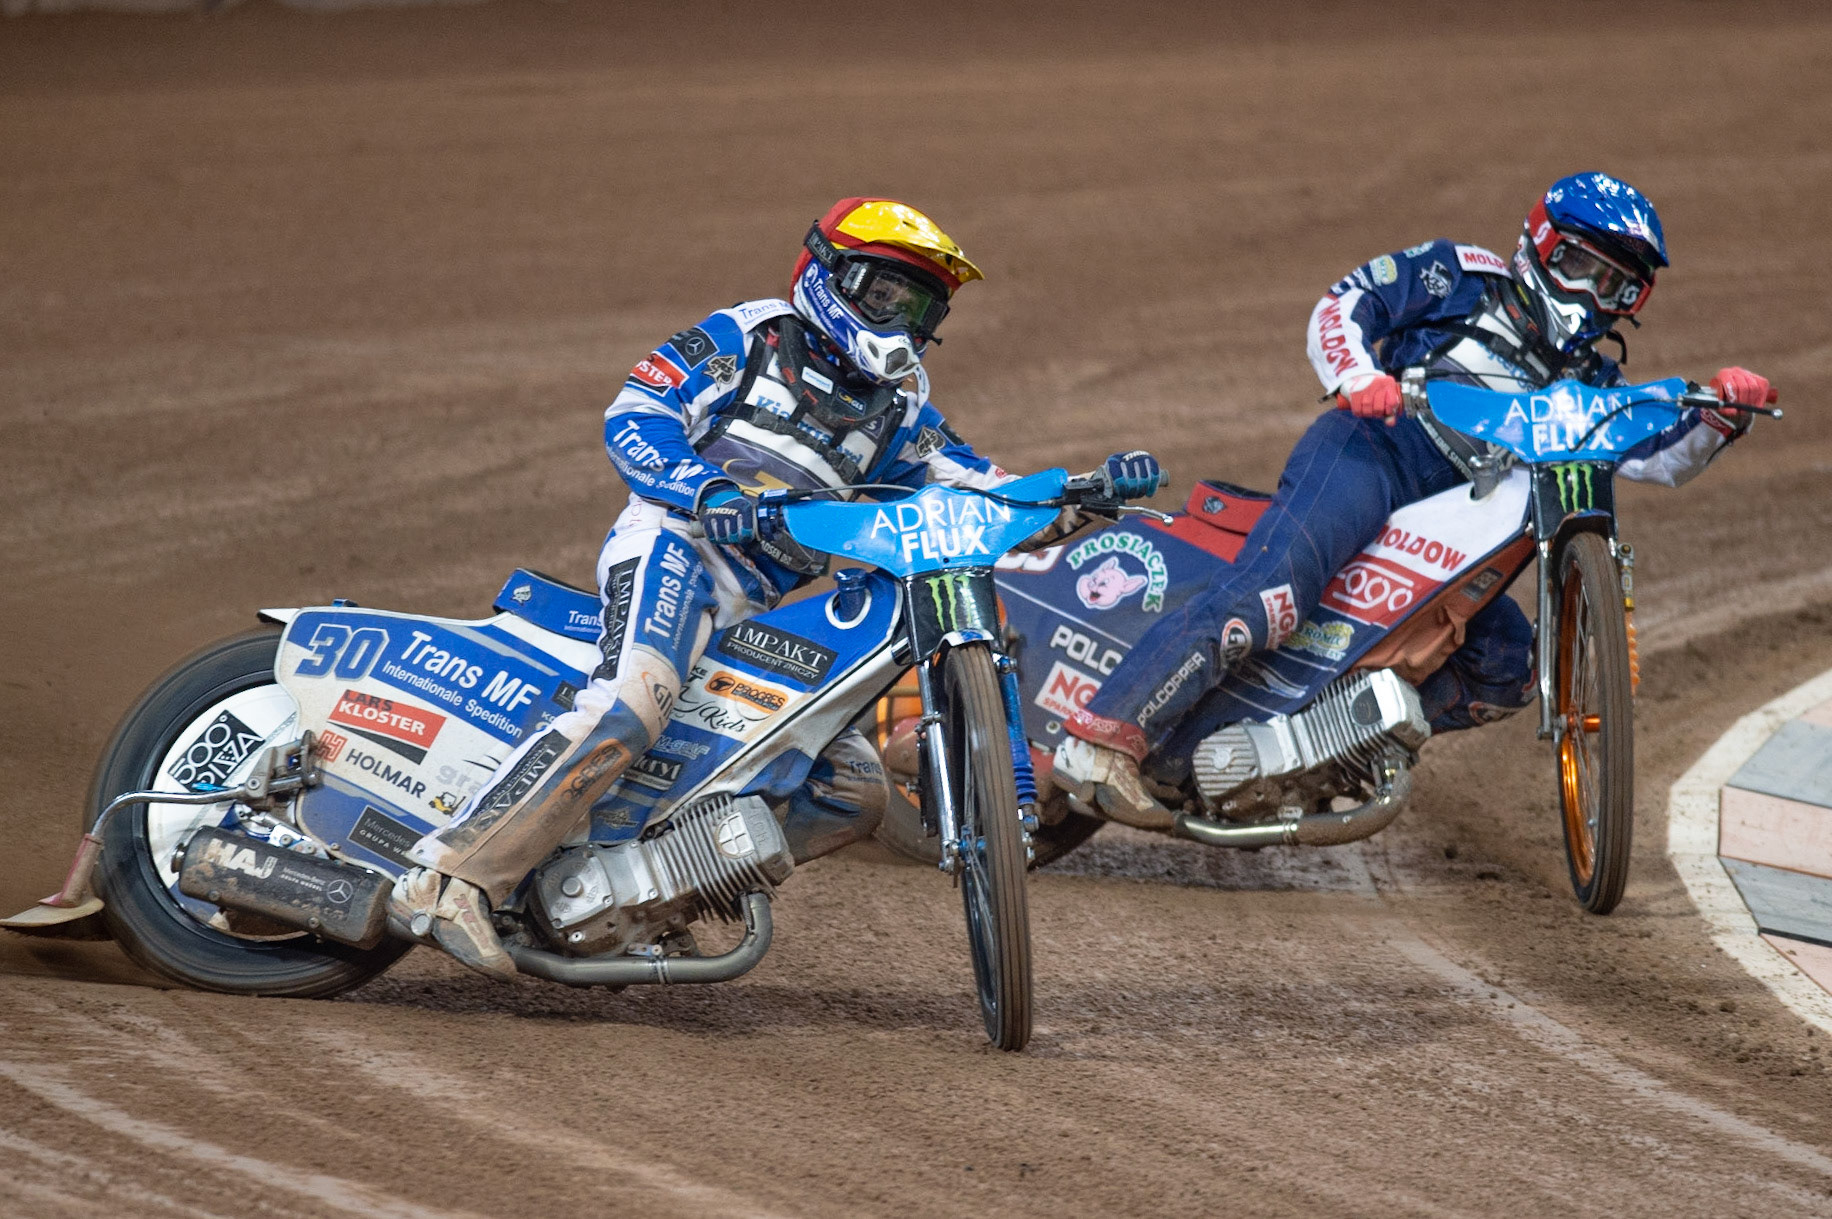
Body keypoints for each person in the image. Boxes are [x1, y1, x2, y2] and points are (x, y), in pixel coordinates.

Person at [391, 197, 1164, 976]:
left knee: (848, 787)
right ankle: (447, 879)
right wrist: (709, 494)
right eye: (887, 294)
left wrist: (1082, 493)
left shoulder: (900, 409)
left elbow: (983, 490)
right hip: (675, 547)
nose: (900, 320)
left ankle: (642, 897)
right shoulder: (746, 336)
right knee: (632, 699)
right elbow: (636, 413)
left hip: (761, 601)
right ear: (829, 274)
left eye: (920, 305)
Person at [1053, 171, 1774, 825]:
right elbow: (1347, 302)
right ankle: (1102, 742)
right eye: (1579, 269)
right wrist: (1357, 377)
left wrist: (1720, 415)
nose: (1591, 298)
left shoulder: (1591, 382)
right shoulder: (1460, 276)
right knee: (1270, 595)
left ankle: (1327, 746)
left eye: (1615, 287)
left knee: (1508, 669)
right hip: (1376, 452)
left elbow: (1657, 457)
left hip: (1461, 528)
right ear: (1540, 249)